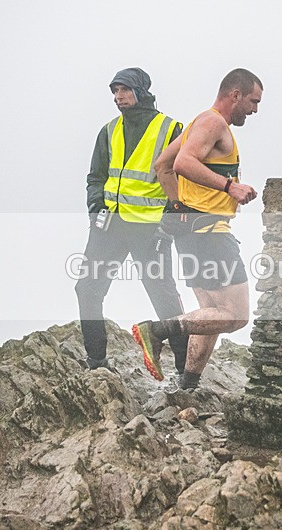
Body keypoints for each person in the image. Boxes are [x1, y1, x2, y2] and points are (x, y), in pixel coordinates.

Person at [132, 68, 262, 390]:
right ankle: (156, 331)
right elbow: (182, 163)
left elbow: (162, 164)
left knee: (212, 315)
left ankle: (187, 384)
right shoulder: (213, 122)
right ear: (235, 94)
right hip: (209, 234)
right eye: (252, 101)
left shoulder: (198, 122)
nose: (255, 110)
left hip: (192, 231)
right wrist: (229, 186)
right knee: (235, 315)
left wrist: (180, 206)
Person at [75, 67, 188, 375]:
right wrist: (95, 207)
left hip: (150, 229)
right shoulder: (109, 130)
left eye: (124, 89)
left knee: (163, 296)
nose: (118, 96)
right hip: (109, 226)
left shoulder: (170, 129)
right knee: (87, 289)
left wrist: (169, 225)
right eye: (114, 91)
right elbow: (95, 177)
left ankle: (184, 372)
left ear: (141, 91)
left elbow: (181, 182)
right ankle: (97, 363)